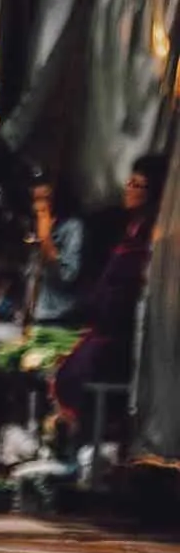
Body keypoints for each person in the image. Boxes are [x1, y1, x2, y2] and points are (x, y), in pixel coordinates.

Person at [52, 154, 168, 428]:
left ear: (152, 193)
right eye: (130, 181)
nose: (129, 188)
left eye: (138, 185)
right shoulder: (130, 232)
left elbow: (122, 293)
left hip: (120, 342)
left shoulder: (150, 239)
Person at [29, 175, 85, 326]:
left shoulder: (73, 227)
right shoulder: (33, 227)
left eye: (46, 199)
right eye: (37, 199)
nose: (41, 206)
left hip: (60, 317)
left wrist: (46, 238)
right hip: (36, 314)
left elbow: (67, 276)